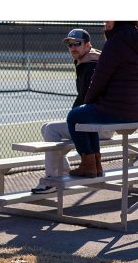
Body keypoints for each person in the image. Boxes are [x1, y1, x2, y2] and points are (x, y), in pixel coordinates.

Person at [32, 28, 113, 194]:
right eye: (70, 44)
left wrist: (73, 116)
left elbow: (86, 99)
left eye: (77, 43)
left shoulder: (90, 66)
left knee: (50, 129)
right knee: (46, 126)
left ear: (88, 45)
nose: (73, 47)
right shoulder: (90, 60)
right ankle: (60, 173)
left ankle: (51, 181)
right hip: (102, 121)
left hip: (100, 125)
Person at [67, 21, 138, 178]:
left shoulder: (116, 42)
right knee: (87, 117)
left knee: (74, 116)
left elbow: (100, 77)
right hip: (134, 111)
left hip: (116, 110)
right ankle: (95, 164)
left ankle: (88, 165)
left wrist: (89, 101)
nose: (105, 23)